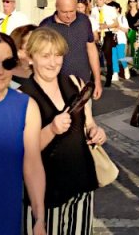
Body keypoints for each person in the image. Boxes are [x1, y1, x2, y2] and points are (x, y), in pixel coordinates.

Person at [20, 28, 106, 234]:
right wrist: (51, 129)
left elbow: (89, 123)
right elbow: (24, 151)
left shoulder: (74, 83)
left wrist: (96, 132)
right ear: (31, 58)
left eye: (58, 55)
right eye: (45, 56)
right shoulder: (22, 96)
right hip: (46, 191)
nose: (53, 62)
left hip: (81, 182)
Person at [0, 32, 46, 235]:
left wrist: (39, 218)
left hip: (6, 217)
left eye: (7, 64)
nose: (0, 72)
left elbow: (32, 164)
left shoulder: (26, 106)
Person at [40, 0, 103, 99]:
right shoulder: (46, 27)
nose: (69, 16)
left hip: (83, 86)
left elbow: (91, 50)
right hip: (56, 90)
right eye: (64, 12)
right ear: (56, 7)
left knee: (86, 116)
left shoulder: (84, 21)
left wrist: (97, 80)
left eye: (72, 11)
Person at [90, 0, 118, 87]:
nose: (98, 1)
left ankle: (109, 77)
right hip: (97, 33)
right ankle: (94, 77)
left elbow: (116, 24)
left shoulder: (111, 9)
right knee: (95, 55)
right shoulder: (93, 10)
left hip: (107, 33)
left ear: (105, 0)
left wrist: (106, 26)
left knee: (108, 55)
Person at [109, 2, 130, 80]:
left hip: (121, 39)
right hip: (112, 39)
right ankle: (115, 72)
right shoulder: (109, 18)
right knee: (113, 56)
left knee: (121, 55)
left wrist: (118, 27)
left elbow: (126, 30)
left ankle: (125, 68)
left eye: (114, 8)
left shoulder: (122, 18)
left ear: (118, 9)